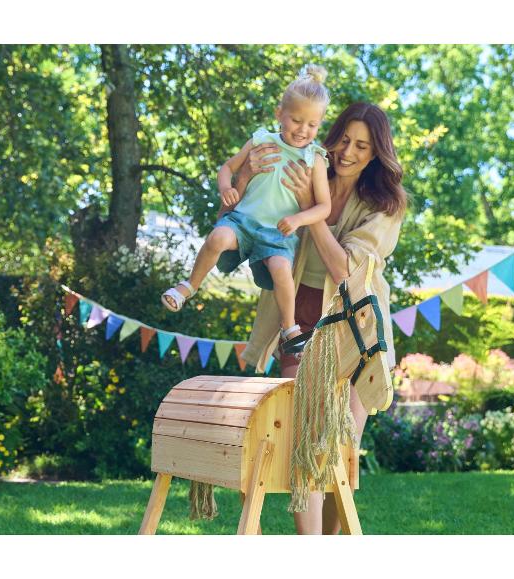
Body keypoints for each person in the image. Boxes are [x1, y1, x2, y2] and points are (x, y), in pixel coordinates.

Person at [238, 101, 407, 534]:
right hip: (300, 320)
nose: (348, 152)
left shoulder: (385, 205)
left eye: (362, 146)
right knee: (307, 438)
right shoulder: (307, 168)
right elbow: (244, 219)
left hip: (357, 329)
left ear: (376, 154)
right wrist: (244, 173)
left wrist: (312, 212)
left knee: (342, 446)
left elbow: (347, 271)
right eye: (344, 140)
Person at [162, 65, 332, 345]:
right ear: (279, 114)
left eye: (312, 125)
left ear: (319, 124)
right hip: (242, 221)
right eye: (296, 120)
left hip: (277, 232)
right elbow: (227, 168)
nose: (303, 130)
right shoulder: (261, 140)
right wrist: (226, 187)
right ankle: (188, 286)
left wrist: (300, 219)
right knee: (217, 237)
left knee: (281, 270)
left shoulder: (315, 159)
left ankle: (289, 327)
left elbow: (323, 207)